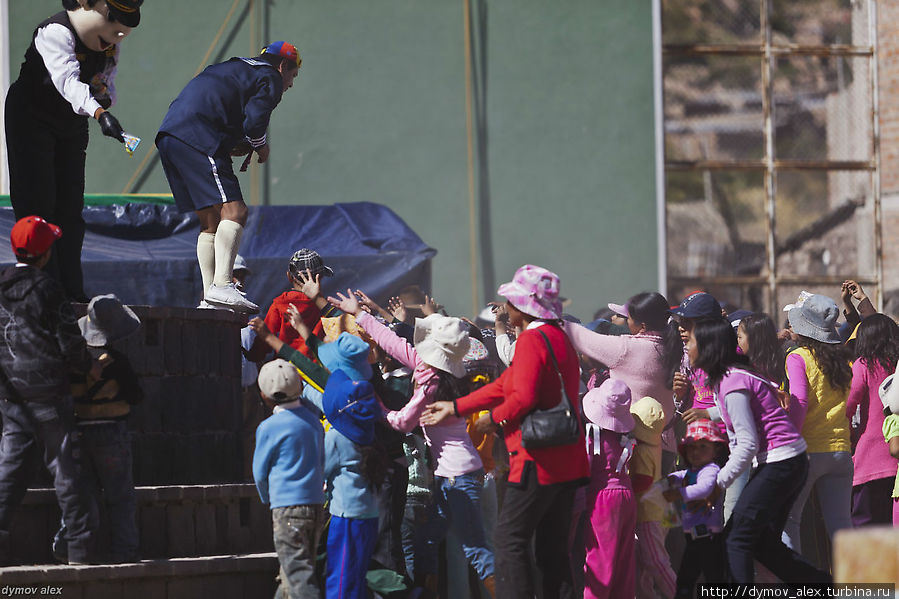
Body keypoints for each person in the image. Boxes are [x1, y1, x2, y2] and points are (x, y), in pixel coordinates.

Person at [421, 264, 589, 599]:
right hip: (567, 461)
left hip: (535, 461)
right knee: (552, 552)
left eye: (510, 302)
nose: (506, 308)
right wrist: (456, 408)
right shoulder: (558, 337)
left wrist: (491, 419)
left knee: (509, 540)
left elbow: (521, 397)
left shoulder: (531, 340)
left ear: (522, 307)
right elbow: (504, 384)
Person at [328, 289, 497, 596]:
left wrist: (374, 406)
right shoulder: (429, 366)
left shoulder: (431, 381)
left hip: (460, 476)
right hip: (452, 476)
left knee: (476, 551)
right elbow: (394, 342)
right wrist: (361, 313)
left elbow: (403, 421)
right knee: (427, 543)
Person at [5, 0, 143, 301]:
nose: (118, 38)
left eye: (123, 33)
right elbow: (67, 81)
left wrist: (105, 99)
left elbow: (106, 81)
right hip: (32, 116)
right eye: (115, 28)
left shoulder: (108, 45)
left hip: (71, 123)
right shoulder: (55, 31)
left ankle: (70, 288)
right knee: (37, 204)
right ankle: (39, 286)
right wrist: (99, 113)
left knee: (70, 209)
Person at [156, 41, 302, 312]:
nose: (290, 84)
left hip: (170, 136)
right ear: (283, 66)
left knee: (209, 220)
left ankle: (209, 297)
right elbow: (255, 121)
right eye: (292, 76)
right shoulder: (269, 75)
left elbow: (219, 104)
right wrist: (260, 146)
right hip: (199, 136)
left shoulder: (235, 66)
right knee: (235, 212)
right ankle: (222, 285)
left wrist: (234, 140)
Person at [687, 317, 829, 583]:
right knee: (762, 545)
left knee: (736, 539)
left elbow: (747, 442)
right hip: (784, 461)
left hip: (782, 462)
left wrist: (716, 484)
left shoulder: (731, 380)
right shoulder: (729, 377)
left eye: (692, 341)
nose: (687, 347)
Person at [0, 216, 100, 565]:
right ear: (44, 255)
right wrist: (91, 366)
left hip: (11, 396)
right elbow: (71, 344)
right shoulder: (48, 287)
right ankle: (78, 549)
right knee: (66, 473)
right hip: (50, 395)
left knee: (9, 471)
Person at [54, 294, 142, 564]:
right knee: (120, 496)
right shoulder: (118, 362)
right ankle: (124, 550)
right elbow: (135, 396)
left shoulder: (72, 364)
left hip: (79, 433)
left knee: (81, 494)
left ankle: (70, 548)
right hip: (113, 433)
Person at [781, 294, 853, 554]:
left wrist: (789, 445)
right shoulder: (844, 360)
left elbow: (798, 403)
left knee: (790, 522)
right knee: (842, 527)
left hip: (808, 451)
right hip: (841, 451)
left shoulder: (798, 357)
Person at [253, 358, 325, 599]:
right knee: (294, 569)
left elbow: (260, 473)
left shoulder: (268, 427)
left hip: (287, 507)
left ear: (264, 394)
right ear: (301, 388)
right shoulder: (313, 422)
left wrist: (268, 498)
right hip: (315, 504)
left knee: (297, 573)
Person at [322, 369, 386, 599]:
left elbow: (323, 469)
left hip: (346, 516)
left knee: (340, 577)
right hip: (369, 514)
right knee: (357, 576)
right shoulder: (368, 434)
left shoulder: (336, 437)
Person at [581, 378, 636, 599]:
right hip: (626, 494)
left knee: (600, 559)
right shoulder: (625, 439)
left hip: (603, 499)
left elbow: (585, 468)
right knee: (624, 558)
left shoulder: (594, 436)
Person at [665, 420, 728, 598]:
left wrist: (678, 493)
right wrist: (672, 478)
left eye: (702, 446)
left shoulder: (711, 469)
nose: (696, 451)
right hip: (694, 535)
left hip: (708, 535)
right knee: (690, 576)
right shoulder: (693, 471)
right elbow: (682, 475)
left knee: (710, 577)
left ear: (716, 450)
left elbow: (704, 489)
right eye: (692, 447)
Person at [846, 314, 899, 526]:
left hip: (870, 459)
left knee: (865, 526)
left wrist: (847, 434)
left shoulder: (863, 364)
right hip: (896, 458)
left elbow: (848, 405)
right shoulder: (897, 364)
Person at [629, 395, 675, 599]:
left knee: (656, 562)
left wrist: (625, 485)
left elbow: (643, 481)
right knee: (643, 567)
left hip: (649, 515)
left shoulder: (643, 450)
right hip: (662, 508)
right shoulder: (655, 445)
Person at [246, 253, 332, 362]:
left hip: (287, 367)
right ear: (319, 279)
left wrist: (254, 355)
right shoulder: (324, 307)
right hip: (317, 370)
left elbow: (265, 340)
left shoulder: (280, 304)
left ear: (289, 276)